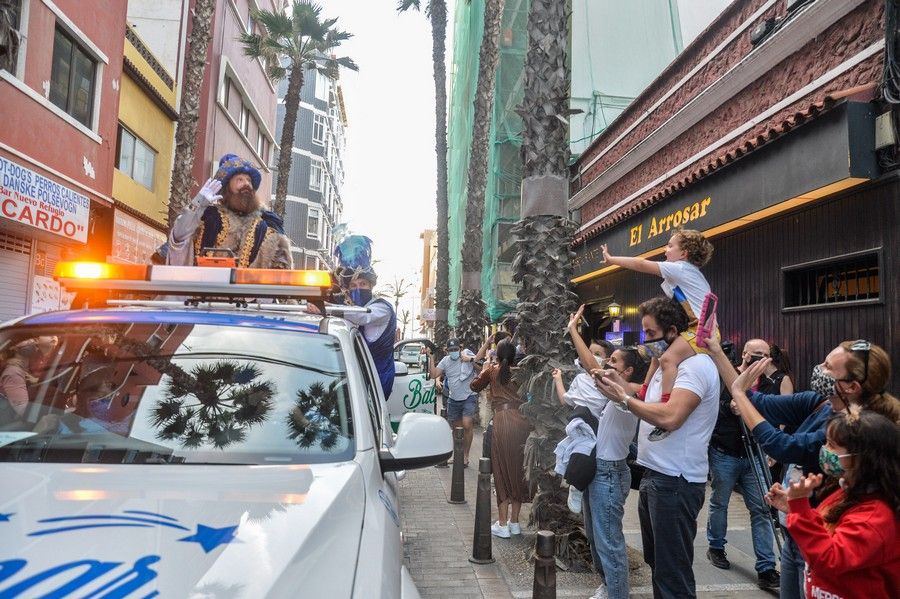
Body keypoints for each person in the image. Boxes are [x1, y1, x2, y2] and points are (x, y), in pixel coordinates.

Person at [708, 337, 900, 599]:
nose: (819, 368)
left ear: (852, 386)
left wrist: (740, 395)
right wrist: (717, 353)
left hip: (823, 536)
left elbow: (782, 445)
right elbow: (758, 402)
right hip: (802, 525)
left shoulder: (856, 432)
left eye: (829, 367)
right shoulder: (820, 403)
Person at [594, 296, 720, 599]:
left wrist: (624, 399)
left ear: (674, 331)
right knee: (659, 565)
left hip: (675, 482)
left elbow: (672, 415)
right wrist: (617, 386)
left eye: (650, 334)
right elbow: (645, 397)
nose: (645, 341)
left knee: (671, 574)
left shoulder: (696, 367)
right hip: (655, 477)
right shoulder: (668, 368)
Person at [765, 409, 899, 599]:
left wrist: (801, 510)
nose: (825, 449)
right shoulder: (843, 492)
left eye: (832, 445)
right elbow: (825, 526)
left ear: (860, 457)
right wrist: (794, 507)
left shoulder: (874, 516)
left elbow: (830, 558)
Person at [602, 228, 716, 442]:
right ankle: (644, 393)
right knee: (657, 354)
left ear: (684, 254)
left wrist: (612, 259)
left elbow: (642, 264)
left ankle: (665, 405)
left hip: (702, 331)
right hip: (692, 328)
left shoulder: (681, 268)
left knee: (667, 358)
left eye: (670, 246)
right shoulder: (687, 273)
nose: (666, 250)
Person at [705, 338, 781, 591]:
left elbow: (774, 414)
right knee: (720, 501)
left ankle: (766, 567)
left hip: (754, 453)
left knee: (762, 508)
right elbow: (709, 406)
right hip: (725, 450)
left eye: (764, 354)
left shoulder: (769, 385)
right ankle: (716, 546)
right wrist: (729, 407)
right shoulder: (726, 376)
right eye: (755, 354)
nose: (759, 358)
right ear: (745, 354)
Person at [166, 153, 292, 269]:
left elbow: (282, 271)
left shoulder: (269, 225)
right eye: (240, 180)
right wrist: (198, 204)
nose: (246, 184)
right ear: (227, 188)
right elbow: (179, 237)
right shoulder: (207, 218)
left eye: (249, 180)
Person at [470, 339, 532, 538]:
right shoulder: (522, 373)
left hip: (502, 421)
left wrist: (485, 368)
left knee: (501, 471)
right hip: (523, 422)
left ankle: (503, 524)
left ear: (497, 355)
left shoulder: (491, 371)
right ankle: (514, 522)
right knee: (518, 470)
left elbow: (474, 386)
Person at [430, 338, 477, 466]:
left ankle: (466, 456)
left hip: (469, 396)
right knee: (457, 429)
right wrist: (430, 357)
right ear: (447, 351)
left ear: (460, 348)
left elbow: (480, 362)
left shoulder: (467, 354)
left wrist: (471, 360)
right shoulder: (445, 361)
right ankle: (458, 455)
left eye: (456, 349)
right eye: (451, 350)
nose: (454, 352)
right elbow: (433, 374)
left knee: (467, 424)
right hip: (454, 399)